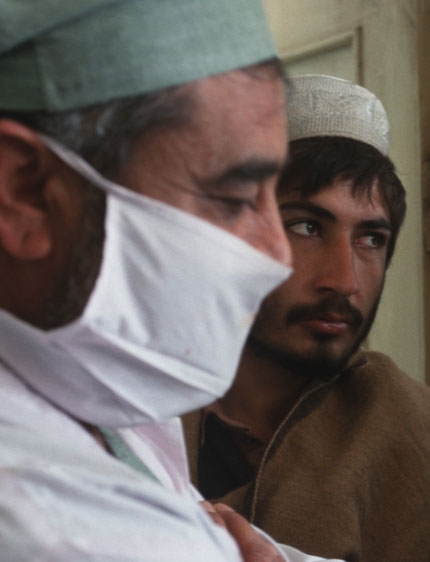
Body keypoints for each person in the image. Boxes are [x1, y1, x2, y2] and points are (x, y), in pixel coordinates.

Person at [0, 2, 340, 560]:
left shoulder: (90, 373)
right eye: (232, 200)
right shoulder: (60, 528)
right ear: (27, 190)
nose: (279, 256)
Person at [183, 74, 430, 562]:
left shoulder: (425, 448)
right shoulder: (137, 406)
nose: (344, 280)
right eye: (307, 226)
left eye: (371, 239)